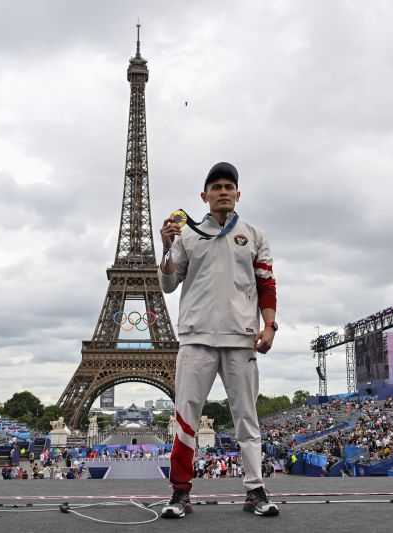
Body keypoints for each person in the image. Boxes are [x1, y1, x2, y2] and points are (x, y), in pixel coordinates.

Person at [159, 162, 279, 519]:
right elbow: (167, 284)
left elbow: (266, 285)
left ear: (238, 194)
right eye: (217, 187)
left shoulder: (254, 235)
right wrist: (166, 247)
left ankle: (255, 488)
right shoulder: (188, 235)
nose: (224, 191)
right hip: (195, 336)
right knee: (185, 418)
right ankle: (180, 492)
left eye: (229, 186)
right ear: (204, 196)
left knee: (247, 418)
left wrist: (269, 326)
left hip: (240, 337)